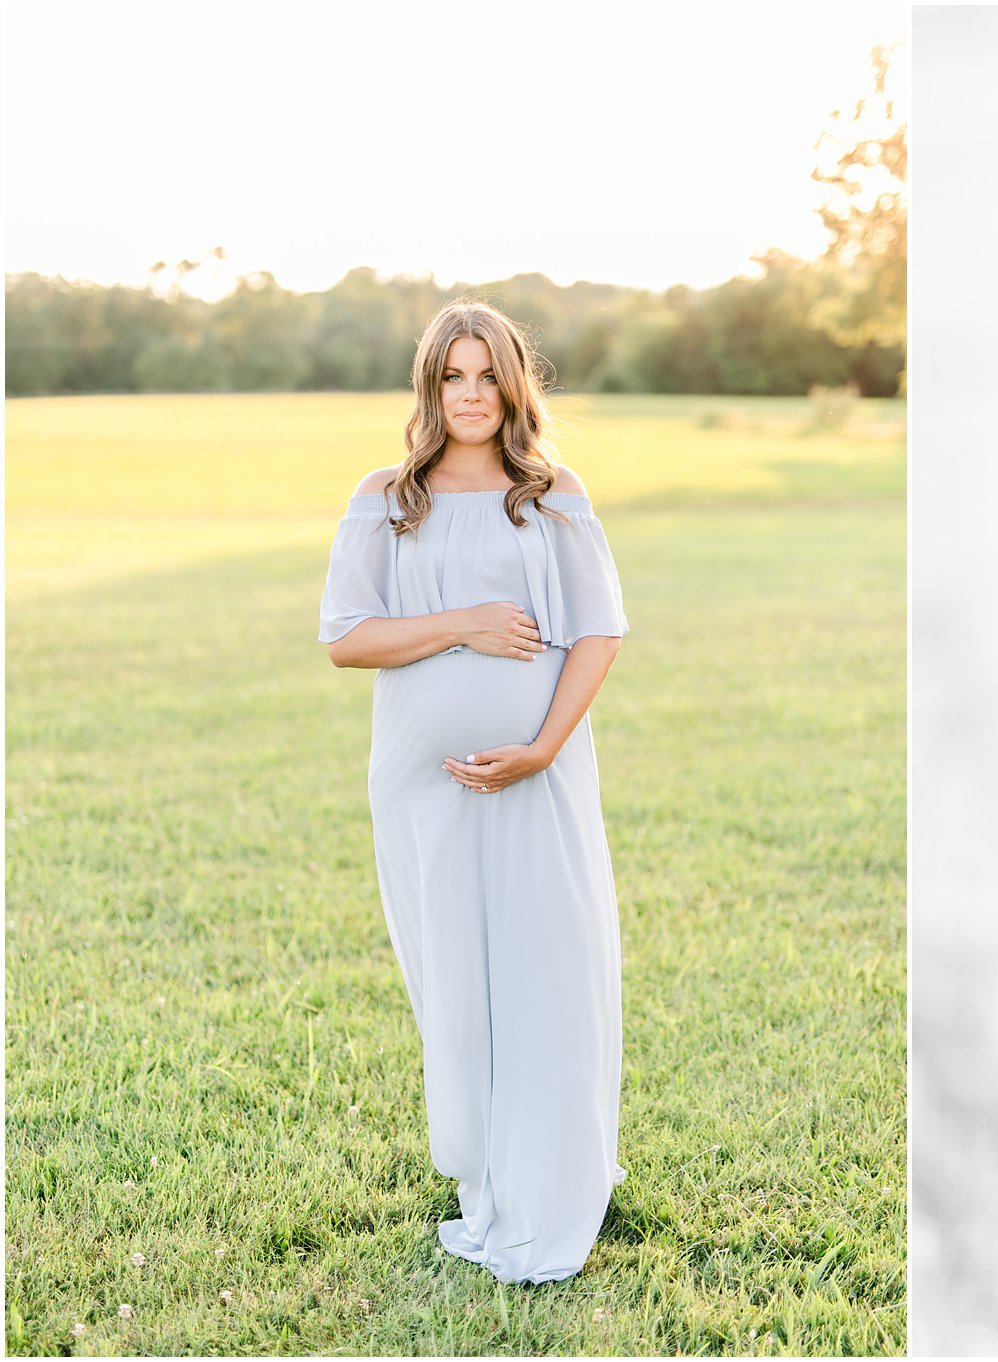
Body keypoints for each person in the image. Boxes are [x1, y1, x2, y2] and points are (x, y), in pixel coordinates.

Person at [317, 299, 629, 1284]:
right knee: (456, 984)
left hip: (538, 776)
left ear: (511, 386)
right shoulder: (386, 497)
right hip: (421, 785)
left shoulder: (549, 493)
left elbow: (599, 632)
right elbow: (346, 638)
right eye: (452, 376)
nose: (470, 395)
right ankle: (488, 1180)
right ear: (429, 387)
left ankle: (553, 1183)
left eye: (487, 375)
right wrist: (462, 624)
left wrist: (541, 748)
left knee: (548, 969)